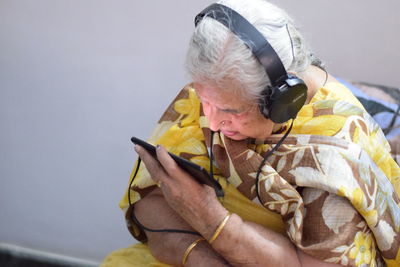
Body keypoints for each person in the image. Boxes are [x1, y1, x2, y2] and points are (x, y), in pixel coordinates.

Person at [101, 0, 400, 266]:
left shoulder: (338, 153)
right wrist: (199, 257)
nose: (214, 123)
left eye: (232, 112)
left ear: (283, 102)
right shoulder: (218, 90)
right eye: (205, 101)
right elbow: (148, 201)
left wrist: (208, 216)